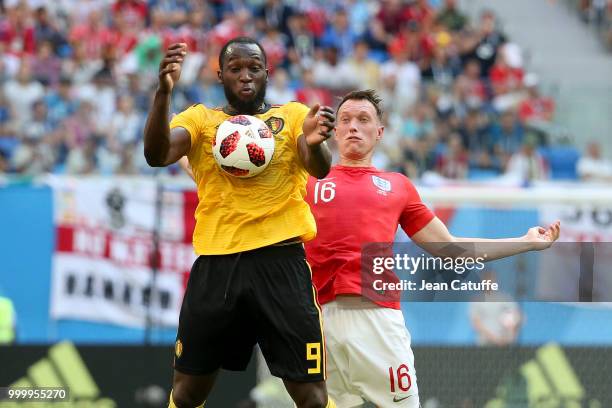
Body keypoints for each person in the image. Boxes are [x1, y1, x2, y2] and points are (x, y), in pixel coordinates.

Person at [304, 89, 560, 407]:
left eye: (363, 119)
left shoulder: (398, 186)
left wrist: (525, 242)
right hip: (316, 320)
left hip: (376, 318)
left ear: (380, 132)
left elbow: (451, 249)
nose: (353, 126)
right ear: (335, 130)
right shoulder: (306, 182)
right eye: (346, 119)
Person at [143, 37, 337, 408]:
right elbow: (157, 153)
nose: (245, 76)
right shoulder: (201, 121)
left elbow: (319, 167)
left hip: (282, 265)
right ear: (220, 75)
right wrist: (163, 93)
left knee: (311, 396)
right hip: (217, 267)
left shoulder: (294, 116)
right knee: (186, 394)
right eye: (235, 69)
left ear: (268, 72)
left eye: (254, 68)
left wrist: (313, 143)